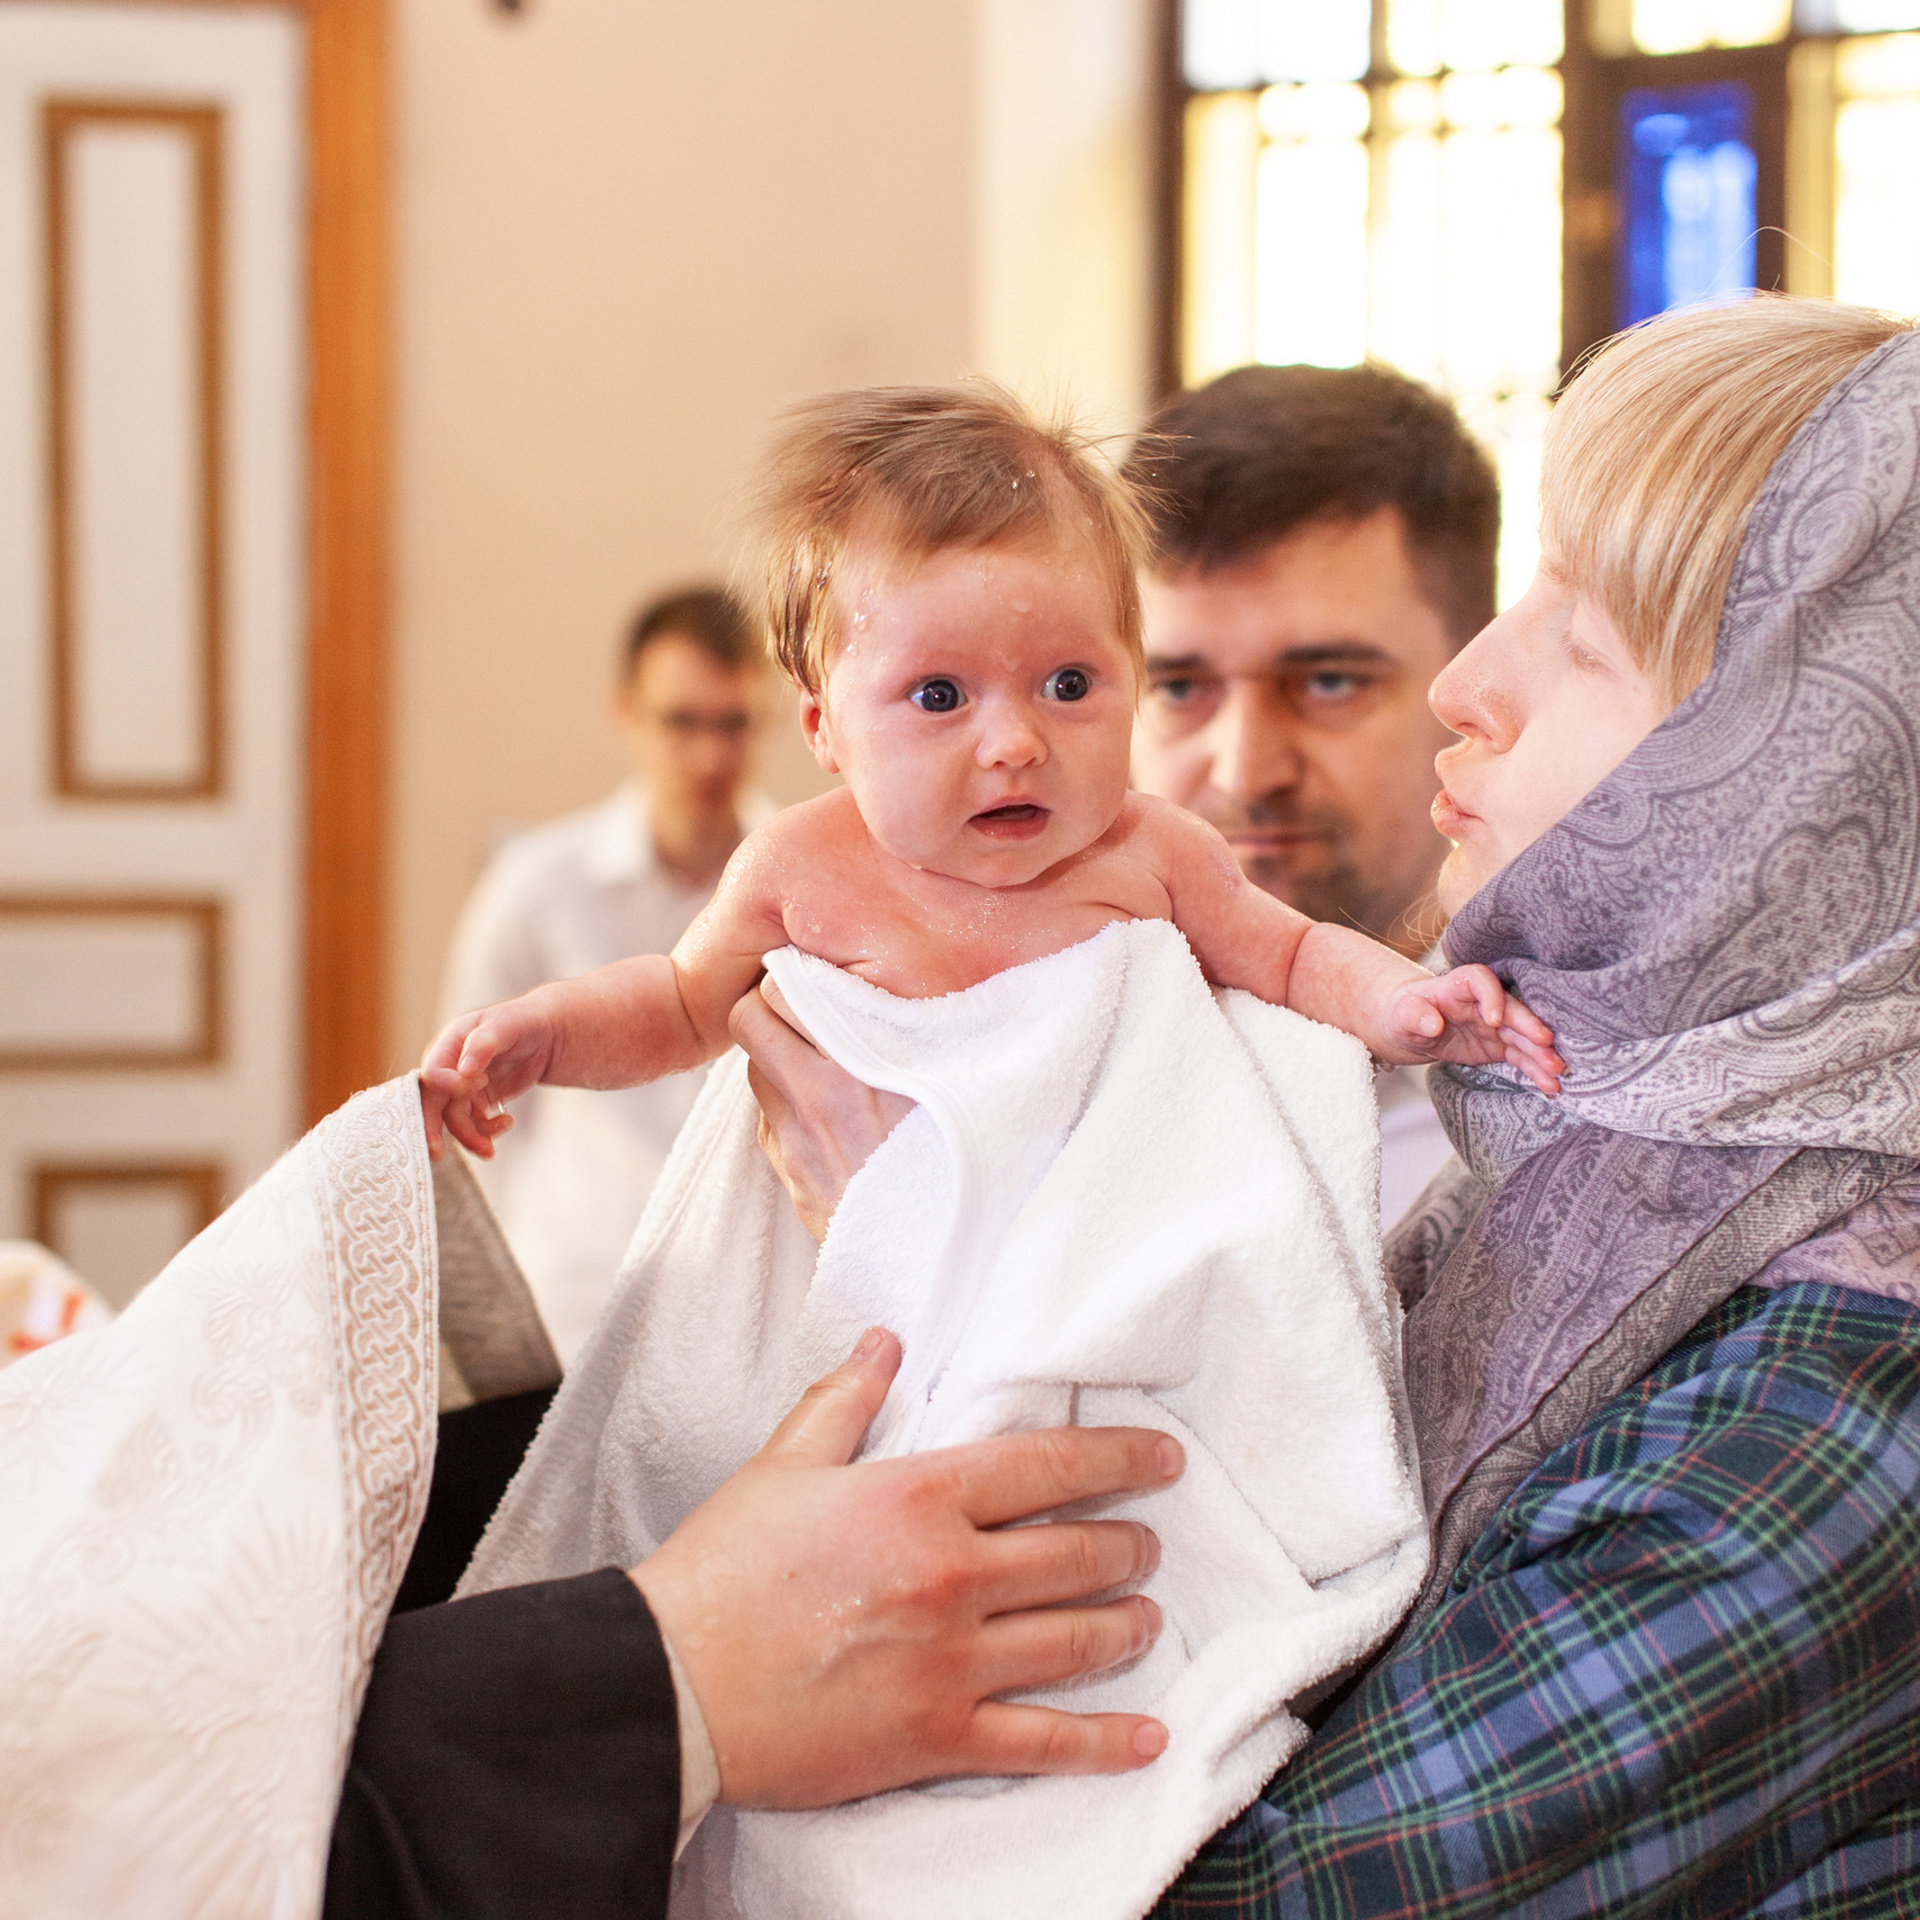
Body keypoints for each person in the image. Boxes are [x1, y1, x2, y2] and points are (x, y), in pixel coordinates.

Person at [739, 295, 1920, 1915]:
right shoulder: (1594, 1146)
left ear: (1810, 775)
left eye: (1577, 637)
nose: (1472, 685)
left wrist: (947, 1222)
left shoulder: (1838, 1395)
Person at [419, 385, 1554, 1166]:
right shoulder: (799, 869)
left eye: (1066, 686)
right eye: (939, 697)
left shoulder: (1152, 857)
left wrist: (1406, 1005)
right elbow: (675, 1004)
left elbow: (1298, 955)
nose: (1012, 746)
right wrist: (545, 1037)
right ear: (823, 729)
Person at [1122, 365, 1500, 1226]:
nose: (1247, 772)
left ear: (1479, 683)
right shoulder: (1015, 1038)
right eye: (1178, 687)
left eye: (1329, 681)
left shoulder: (1588, 1084)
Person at [438, 586, 771, 1361]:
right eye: (681, 721)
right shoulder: (535, 887)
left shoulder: (805, 894)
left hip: (739, 1309)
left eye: (734, 723)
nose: (710, 755)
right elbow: (465, 1095)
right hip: (573, 1298)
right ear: (625, 712)